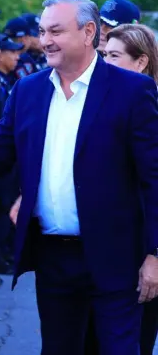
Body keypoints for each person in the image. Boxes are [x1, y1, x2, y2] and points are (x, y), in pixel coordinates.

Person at [0, 0, 158, 355]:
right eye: (42, 31)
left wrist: (154, 253)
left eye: (55, 30)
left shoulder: (132, 91)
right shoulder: (29, 90)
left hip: (118, 257)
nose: (44, 41)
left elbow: (153, 177)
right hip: (54, 257)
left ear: (88, 32)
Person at [103, 22, 158, 355]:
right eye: (103, 55)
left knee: (139, 336)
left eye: (114, 56)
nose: (104, 63)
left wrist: (154, 255)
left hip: (146, 242)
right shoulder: (102, 101)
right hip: (111, 245)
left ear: (141, 62)